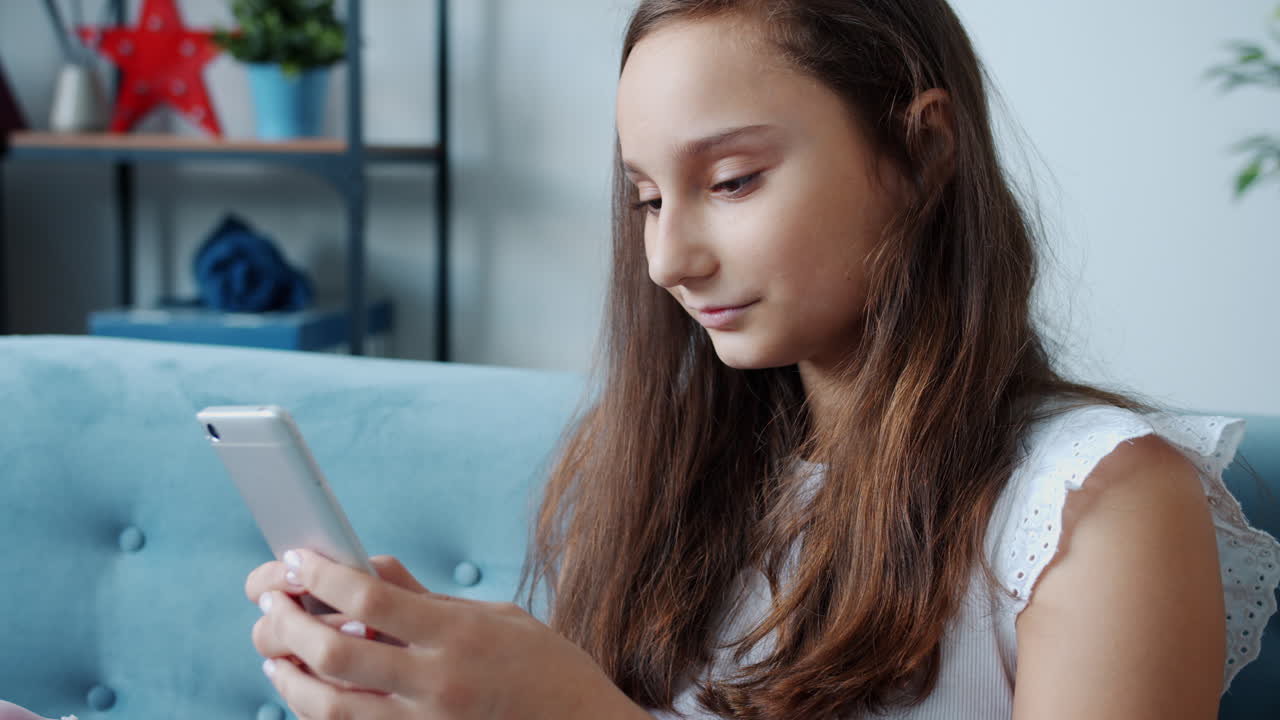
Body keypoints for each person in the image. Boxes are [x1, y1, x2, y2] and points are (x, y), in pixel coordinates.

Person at [241, 1, 1280, 719]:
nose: (665, 259)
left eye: (730, 181)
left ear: (919, 153)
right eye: (646, 197)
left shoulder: (1095, 503)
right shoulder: (669, 473)